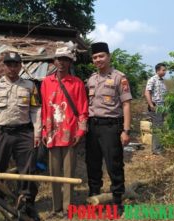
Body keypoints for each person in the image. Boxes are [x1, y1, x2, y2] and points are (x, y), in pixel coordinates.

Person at [0, 52, 41, 221]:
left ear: (20, 66)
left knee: (28, 169)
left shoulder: (29, 86)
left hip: (24, 133)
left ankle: (27, 204)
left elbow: (35, 110)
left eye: (16, 65)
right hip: (1, 132)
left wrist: (37, 133)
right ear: (3, 66)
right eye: (9, 65)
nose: (12, 68)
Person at [40, 46, 88, 218]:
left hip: (70, 136)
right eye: (59, 58)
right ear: (54, 61)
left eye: (65, 59)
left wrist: (80, 133)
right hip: (52, 135)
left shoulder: (77, 83)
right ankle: (56, 207)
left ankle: (68, 208)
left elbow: (83, 110)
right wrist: (44, 132)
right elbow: (44, 109)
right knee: (54, 173)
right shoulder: (46, 82)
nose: (61, 62)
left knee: (68, 173)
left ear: (70, 62)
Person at [86, 42, 132, 216]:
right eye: (95, 57)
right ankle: (94, 194)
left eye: (101, 56)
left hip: (111, 127)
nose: (98, 60)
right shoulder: (91, 79)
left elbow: (126, 104)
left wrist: (126, 131)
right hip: (93, 126)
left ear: (109, 56)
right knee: (93, 162)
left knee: (114, 163)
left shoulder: (120, 77)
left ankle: (117, 199)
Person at [145, 63, 167, 155]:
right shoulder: (152, 79)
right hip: (156, 106)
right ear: (157, 70)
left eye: (165, 70)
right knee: (157, 127)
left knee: (160, 127)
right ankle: (156, 149)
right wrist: (151, 105)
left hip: (162, 107)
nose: (165, 72)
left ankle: (158, 147)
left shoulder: (162, 81)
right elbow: (147, 92)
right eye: (163, 70)